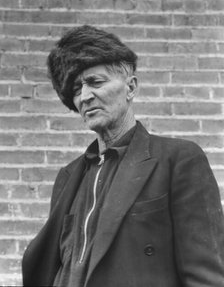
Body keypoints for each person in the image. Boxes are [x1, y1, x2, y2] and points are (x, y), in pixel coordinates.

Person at [22, 25, 224, 287]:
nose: (84, 96)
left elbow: (207, 276)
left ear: (131, 87)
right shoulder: (68, 176)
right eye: (75, 89)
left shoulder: (179, 159)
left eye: (96, 82)